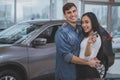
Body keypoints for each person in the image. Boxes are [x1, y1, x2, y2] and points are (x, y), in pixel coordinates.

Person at [55, 3, 100, 80]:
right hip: (66, 74)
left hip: (80, 73)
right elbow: (67, 56)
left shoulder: (80, 29)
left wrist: (95, 35)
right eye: (69, 12)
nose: (72, 14)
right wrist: (88, 62)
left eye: (74, 11)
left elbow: (93, 27)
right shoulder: (61, 32)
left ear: (77, 12)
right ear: (65, 15)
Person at [77, 12, 106, 79]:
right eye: (82, 22)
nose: (83, 25)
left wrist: (88, 43)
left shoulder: (95, 37)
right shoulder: (87, 35)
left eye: (87, 22)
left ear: (93, 22)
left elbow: (87, 56)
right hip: (83, 69)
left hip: (88, 71)